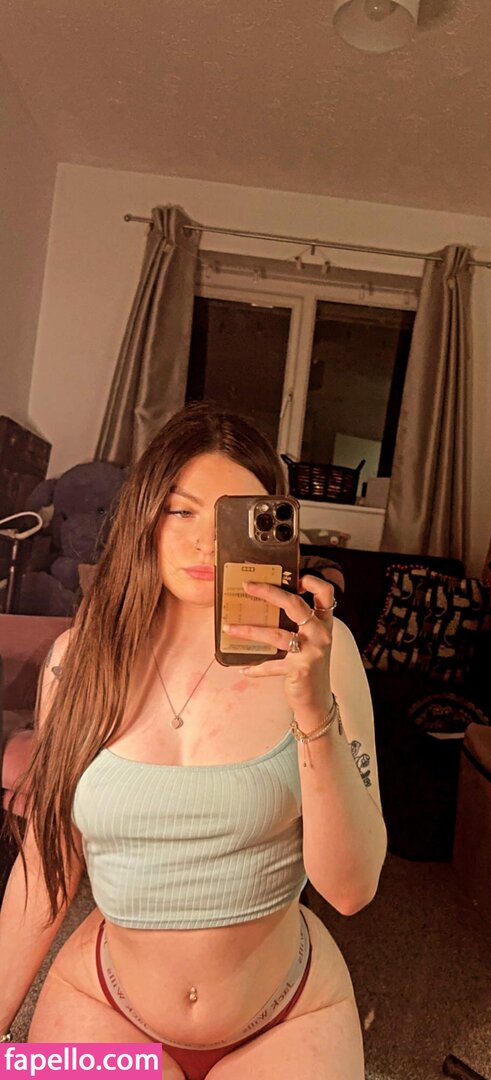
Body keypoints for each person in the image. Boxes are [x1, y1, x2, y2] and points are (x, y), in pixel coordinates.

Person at [0, 402, 387, 1079]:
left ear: (273, 527)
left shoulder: (324, 654)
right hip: (104, 1000)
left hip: (288, 1012)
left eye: (234, 518)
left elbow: (351, 889)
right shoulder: (76, 661)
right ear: (144, 515)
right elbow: (46, 862)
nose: (206, 543)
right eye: (181, 511)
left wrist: (313, 711)